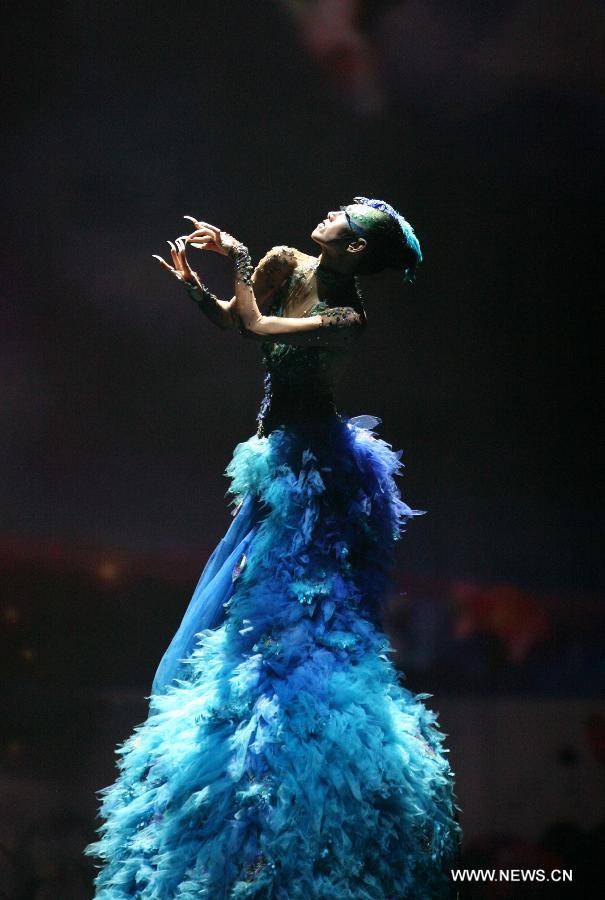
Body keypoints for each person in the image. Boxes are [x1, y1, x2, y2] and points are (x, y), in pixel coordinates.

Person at [85, 197, 462, 898]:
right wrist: (197, 283)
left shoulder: (347, 317)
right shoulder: (288, 263)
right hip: (276, 458)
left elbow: (259, 323)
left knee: (292, 599)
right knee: (246, 587)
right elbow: (236, 324)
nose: (330, 211)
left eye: (345, 217)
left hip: (316, 467)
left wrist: (232, 255)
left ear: (354, 249)